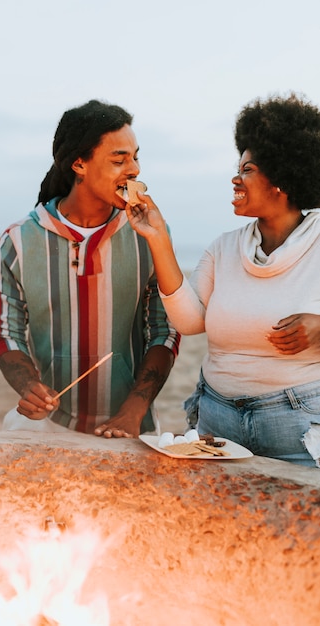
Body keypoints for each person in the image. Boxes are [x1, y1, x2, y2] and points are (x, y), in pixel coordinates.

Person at [125, 93, 320, 467]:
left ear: (281, 177)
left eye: (248, 169)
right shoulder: (224, 248)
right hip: (217, 424)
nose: (235, 177)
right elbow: (189, 321)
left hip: (298, 429)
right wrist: (158, 237)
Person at [0, 99, 180, 438]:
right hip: (47, 427)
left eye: (136, 156)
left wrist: (133, 412)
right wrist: (28, 386)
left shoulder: (151, 235)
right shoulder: (19, 240)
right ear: (79, 164)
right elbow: (7, 334)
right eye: (119, 159)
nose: (134, 169)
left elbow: (165, 331)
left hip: (132, 426)